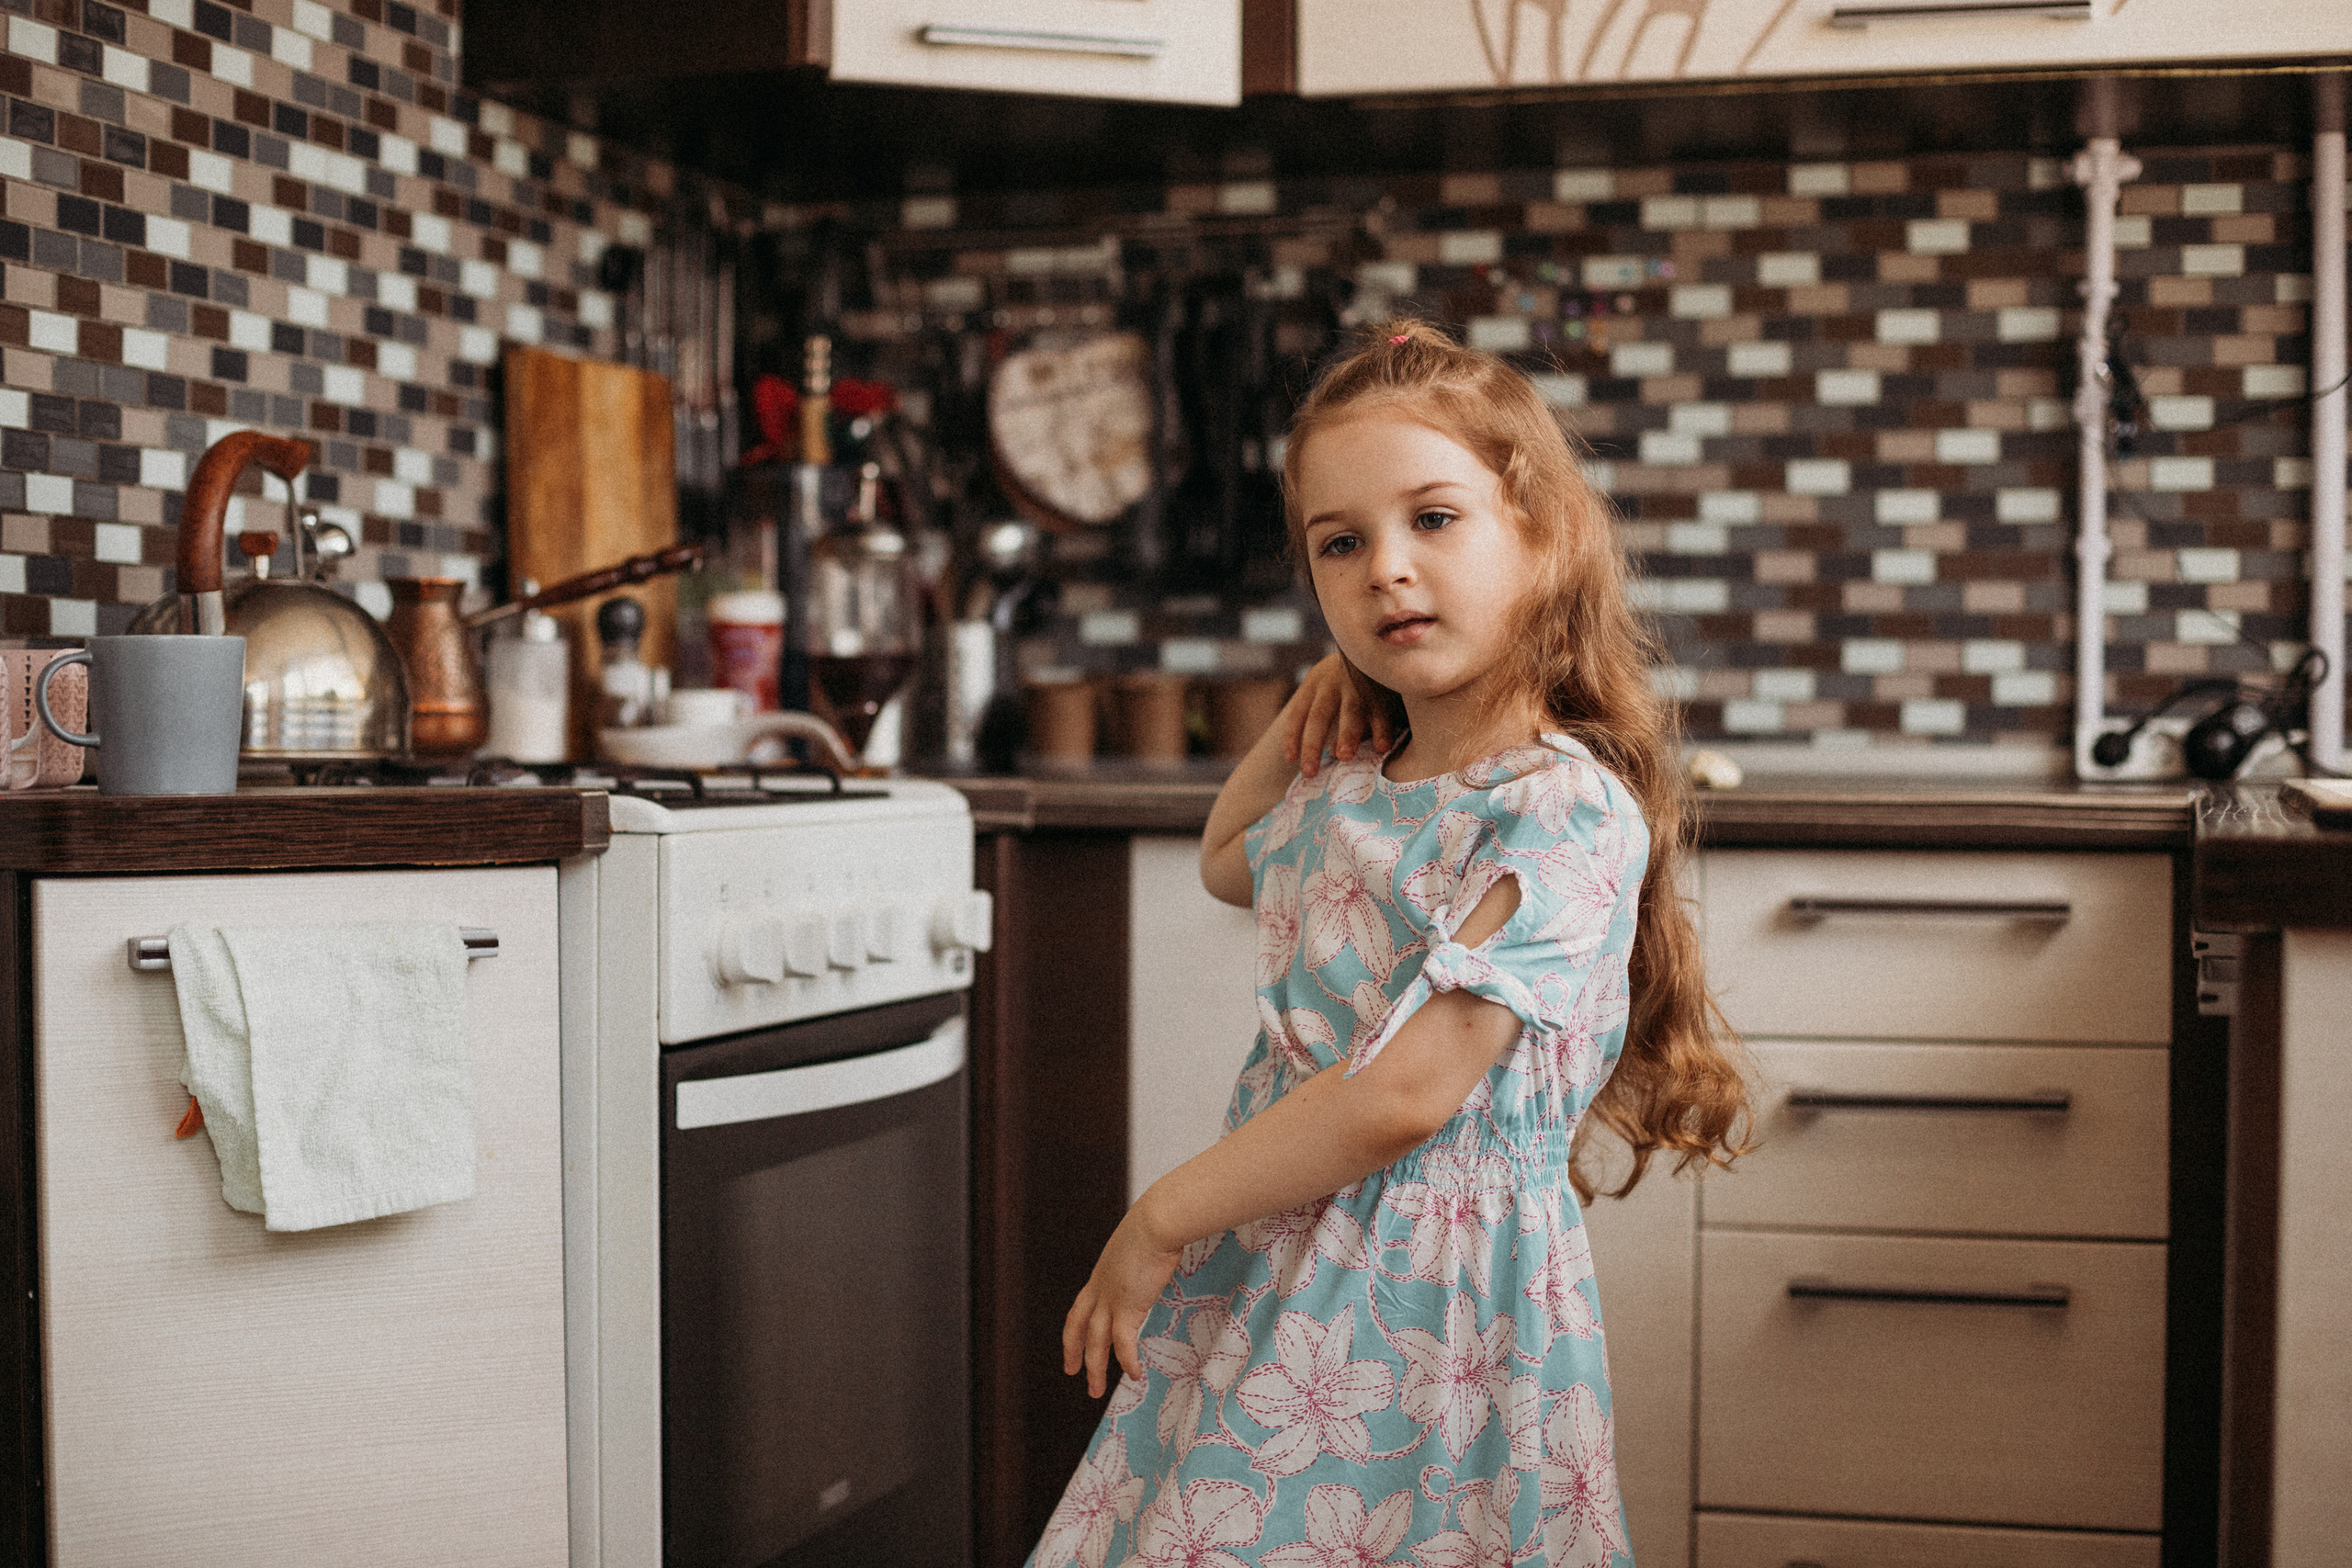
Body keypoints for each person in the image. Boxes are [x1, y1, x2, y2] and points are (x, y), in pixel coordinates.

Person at [1029, 321, 1750, 1568]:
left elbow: (1405, 1095)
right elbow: (1226, 854)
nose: (1387, 571)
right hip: (1279, 1268)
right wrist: (1316, 694)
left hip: (1431, 1320)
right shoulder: (1352, 788)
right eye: (1342, 544)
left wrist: (1160, 1217)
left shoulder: (1559, 812)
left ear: (1543, 536)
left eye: (1434, 520)